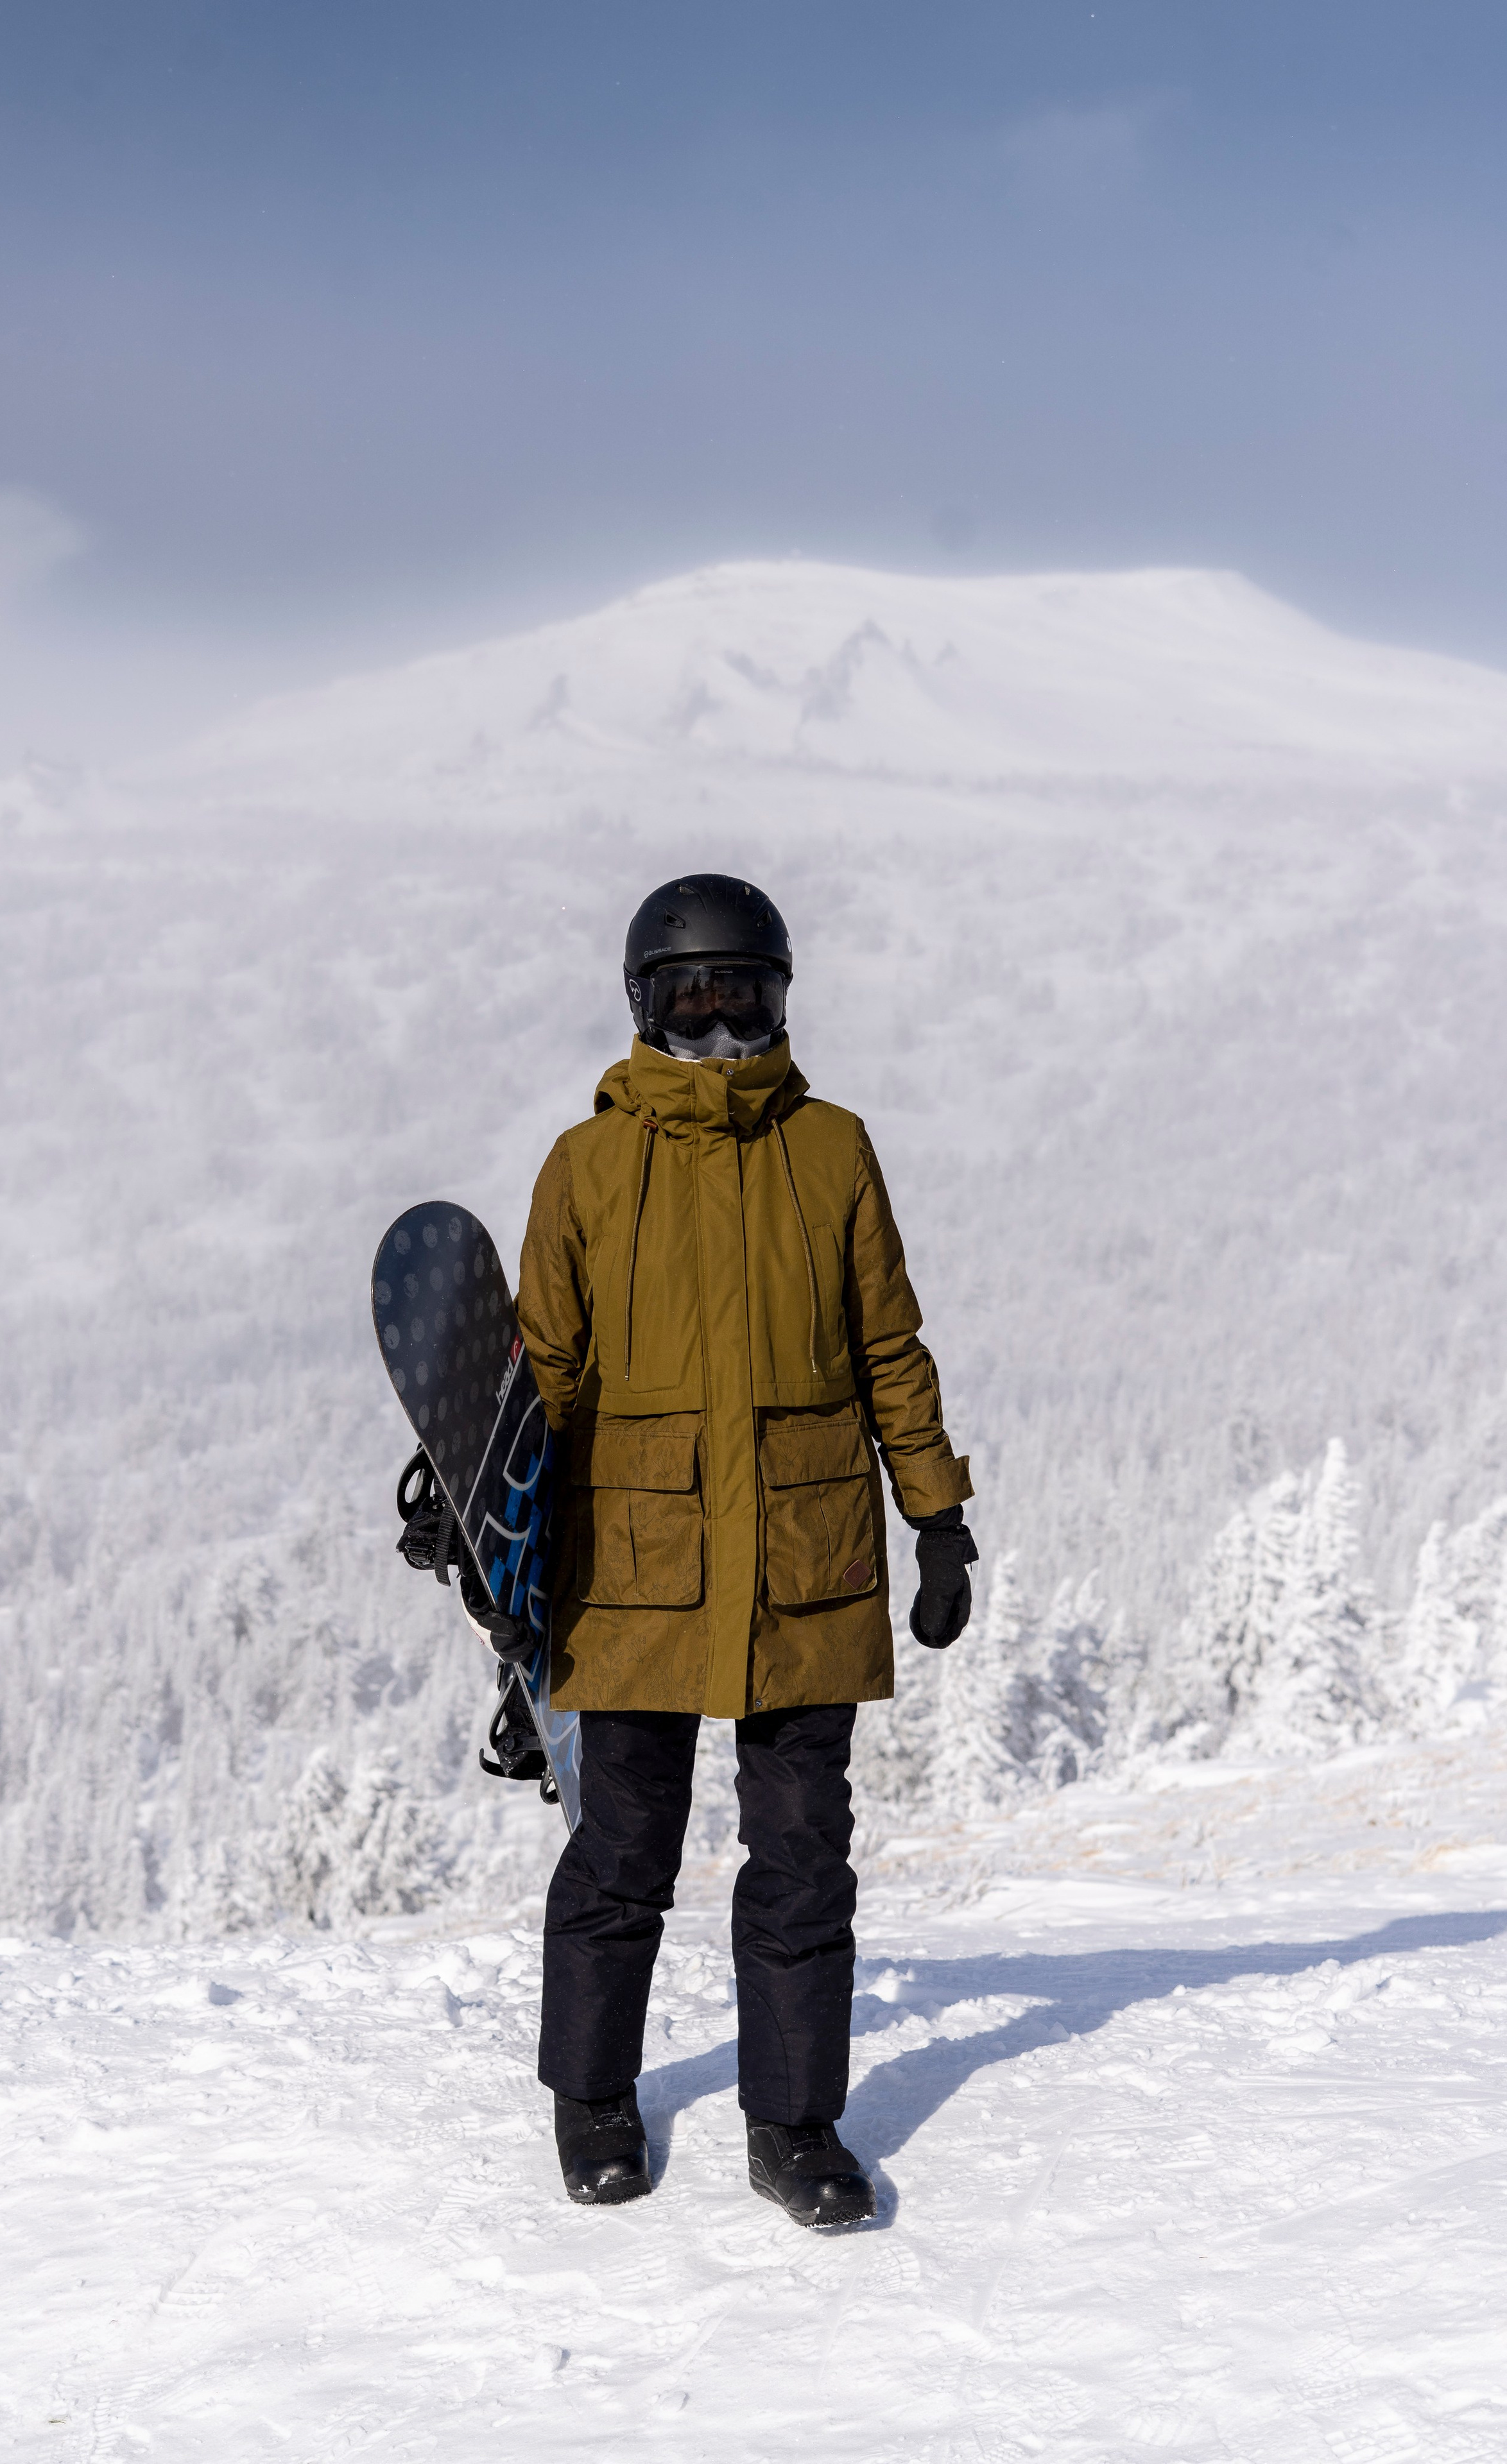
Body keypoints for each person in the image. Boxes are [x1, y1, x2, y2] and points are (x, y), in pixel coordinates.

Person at [481, 873, 977, 2229]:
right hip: (632, 1562)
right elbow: (546, 1379)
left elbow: (888, 1347)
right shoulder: (585, 1166)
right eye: (689, 1003)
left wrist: (937, 1516)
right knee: (621, 1850)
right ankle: (591, 2098)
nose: (716, 1030)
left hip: (804, 1559)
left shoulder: (833, 1149)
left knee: (803, 1859)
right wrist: (507, 1557)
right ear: (642, 1009)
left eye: (740, 998)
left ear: (781, 999)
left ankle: (795, 2125)